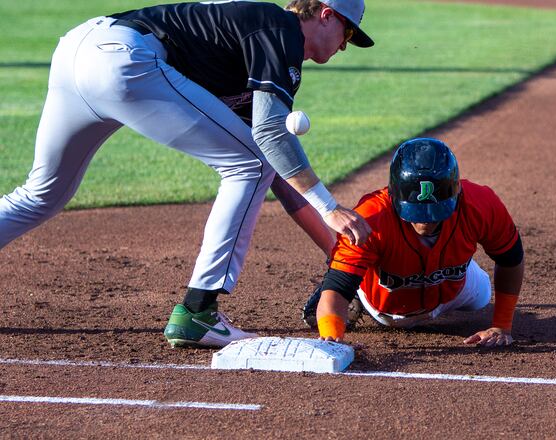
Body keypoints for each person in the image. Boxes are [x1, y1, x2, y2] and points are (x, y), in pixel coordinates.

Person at [0, 0, 375, 348]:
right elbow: (269, 137)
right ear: (326, 14)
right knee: (249, 164)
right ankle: (198, 311)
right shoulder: (281, 29)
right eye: (348, 33)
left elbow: (278, 169)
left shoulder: (254, 48)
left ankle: (199, 312)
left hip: (78, 49)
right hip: (122, 59)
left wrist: (336, 255)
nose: (344, 45)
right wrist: (330, 207)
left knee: (42, 194)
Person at [303, 138, 525, 346]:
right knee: (355, 290)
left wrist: (502, 326)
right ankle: (358, 291)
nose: (425, 221)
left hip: (453, 293)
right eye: (416, 213)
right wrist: (332, 339)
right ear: (393, 194)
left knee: (482, 297)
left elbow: (511, 258)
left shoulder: (481, 204)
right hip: (387, 309)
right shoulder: (371, 216)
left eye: (436, 211)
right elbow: (338, 288)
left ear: (457, 192)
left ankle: (457, 268)